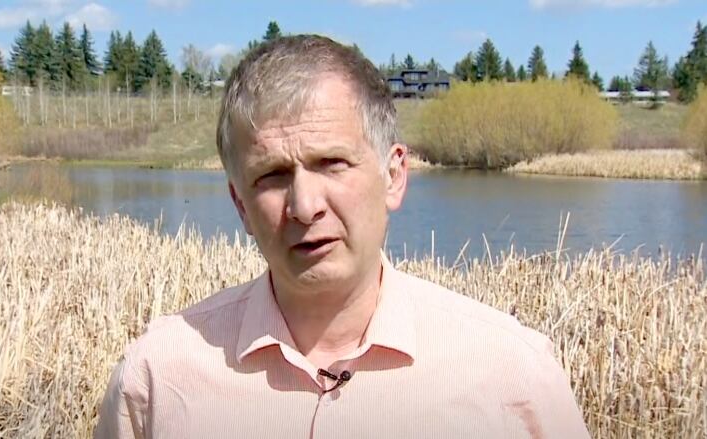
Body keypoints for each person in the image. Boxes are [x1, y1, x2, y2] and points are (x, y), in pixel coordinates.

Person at [95, 35, 590, 438]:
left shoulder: (512, 374)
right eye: (270, 175)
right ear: (240, 204)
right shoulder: (158, 376)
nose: (305, 206)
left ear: (394, 176)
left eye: (331, 163)